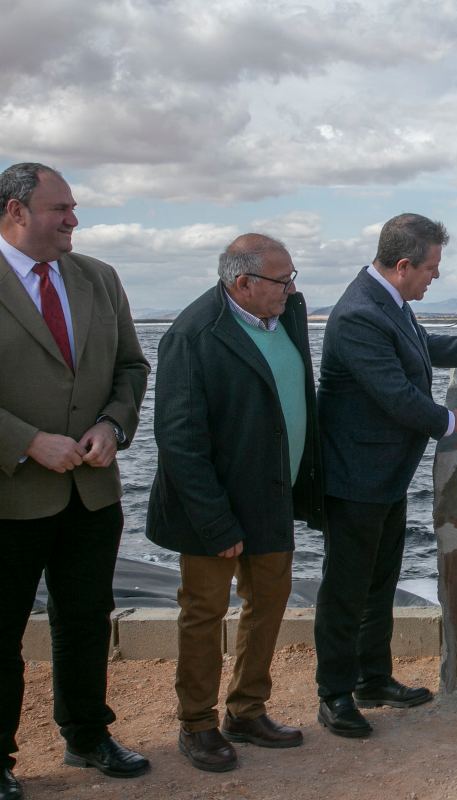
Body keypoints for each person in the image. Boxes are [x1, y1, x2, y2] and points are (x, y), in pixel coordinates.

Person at [315, 213, 457, 737]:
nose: (436, 277)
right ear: (404, 266)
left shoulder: (388, 301)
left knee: (379, 583)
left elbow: (421, 348)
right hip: (355, 478)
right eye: (432, 268)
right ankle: (334, 694)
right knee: (346, 588)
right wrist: (453, 420)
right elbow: (394, 395)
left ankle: (373, 679)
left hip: (385, 476)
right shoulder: (359, 314)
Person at [0, 162, 150, 798]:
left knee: (86, 619)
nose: (73, 220)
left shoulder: (98, 278)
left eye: (73, 207)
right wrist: (27, 442)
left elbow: (132, 368)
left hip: (92, 491)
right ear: (15, 212)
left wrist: (113, 427)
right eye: (61, 208)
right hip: (9, 496)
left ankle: (87, 736)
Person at [146, 234, 323, 772]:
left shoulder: (286, 311)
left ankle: (246, 710)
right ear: (241, 283)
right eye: (282, 279)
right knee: (204, 614)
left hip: (271, 499)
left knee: (267, 605)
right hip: (212, 510)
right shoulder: (192, 334)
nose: (292, 288)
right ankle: (196, 723)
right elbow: (178, 438)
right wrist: (216, 522)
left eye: (293, 277)